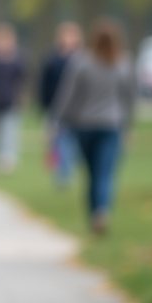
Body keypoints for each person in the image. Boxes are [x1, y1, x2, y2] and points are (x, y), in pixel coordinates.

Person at [48, 18, 136, 235]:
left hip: (84, 126)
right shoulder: (124, 63)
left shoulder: (82, 62)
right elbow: (130, 99)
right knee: (105, 172)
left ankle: (94, 215)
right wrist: (128, 125)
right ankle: (102, 212)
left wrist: (58, 119)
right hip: (112, 125)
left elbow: (68, 95)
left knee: (91, 173)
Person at [39, 21, 82, 188]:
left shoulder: (82, 59)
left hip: (77, 109)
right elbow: (45, 85)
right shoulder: (52, 60)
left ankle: (68, 171)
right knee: (59, 142)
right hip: (56, 107)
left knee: (73, 142)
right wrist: (45, 105)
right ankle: (63, 175)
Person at [0, 23, 25, 174]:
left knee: (10, 131)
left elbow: (22, 80)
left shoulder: (17, 59)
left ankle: (9, 160)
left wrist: (20, 98)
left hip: (11, 100)